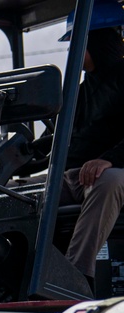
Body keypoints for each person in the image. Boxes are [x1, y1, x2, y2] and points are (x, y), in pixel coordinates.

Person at [58, 22, 124, 288]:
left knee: (108, 181)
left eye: (77, 43)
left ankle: (74, 279)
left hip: (110, 173)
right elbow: (65, 139)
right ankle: (22, 278)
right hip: (79, 175)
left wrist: (111, 158)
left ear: (97, 42)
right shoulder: (82, 91)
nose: (72, 51)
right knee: (22, 197)